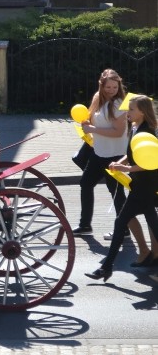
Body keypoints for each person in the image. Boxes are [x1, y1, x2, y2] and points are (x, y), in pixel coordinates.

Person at [85, 95, 158, 282]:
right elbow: (132, 154)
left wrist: (126, 168)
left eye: (131, 109)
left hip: (146, 185)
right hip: (141, 185)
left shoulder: (148, 131)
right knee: (146, 222)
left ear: (142, 111)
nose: (127, 112)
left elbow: (149, 162)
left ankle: (106, 267)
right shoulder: (134, 127)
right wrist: (120, 162)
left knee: (121, 222)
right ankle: (109, 267)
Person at [72, 69, 129, 236]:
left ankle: (124, 229)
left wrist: (93, 129)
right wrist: (85, 124)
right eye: (108, 87)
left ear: (119, 86)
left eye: (115, 87)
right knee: (86, 184)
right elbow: (88, 117)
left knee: (116, 192)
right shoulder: (97, 98)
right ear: (101, 86)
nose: (111, 90)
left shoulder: (119, 104)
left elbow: (118, 132)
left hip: (116, 154)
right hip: (99, 152)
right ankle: (85, 225)